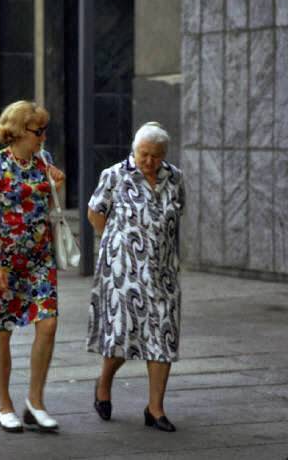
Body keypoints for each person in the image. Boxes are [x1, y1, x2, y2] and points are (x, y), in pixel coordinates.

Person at [87, 121, 185, 432]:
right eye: (144, 154)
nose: (149, 161)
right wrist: (115, 242)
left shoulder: (175, 178)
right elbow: (95, 212)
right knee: (124, 336)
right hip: (123, 273)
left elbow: (176, 217)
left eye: (156, 155)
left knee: (164, 336)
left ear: (164, 154)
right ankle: (103, 383)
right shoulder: (115, 175)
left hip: (163, 272)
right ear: (134, 149)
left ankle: (155, 409)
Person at [0, 101, 65, 433]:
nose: (43, 137)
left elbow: (48, 206)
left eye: (45, 130)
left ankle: (35, 401)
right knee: (3, 330)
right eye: (38, 131)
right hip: (5, 262)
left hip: (40, 259)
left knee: (49, 324)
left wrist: (57, 185)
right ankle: (5, 405)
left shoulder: (44, 161)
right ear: (17, 131)